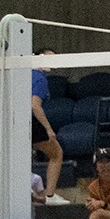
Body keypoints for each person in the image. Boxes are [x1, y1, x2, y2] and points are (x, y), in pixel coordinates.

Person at [31, 55, 69, 204]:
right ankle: (50, 195)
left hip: (13, 120)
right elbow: (34, 104)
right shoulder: (40, 78)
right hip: (30, 120)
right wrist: (48, 129)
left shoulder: (23, 74)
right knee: (57, 153)